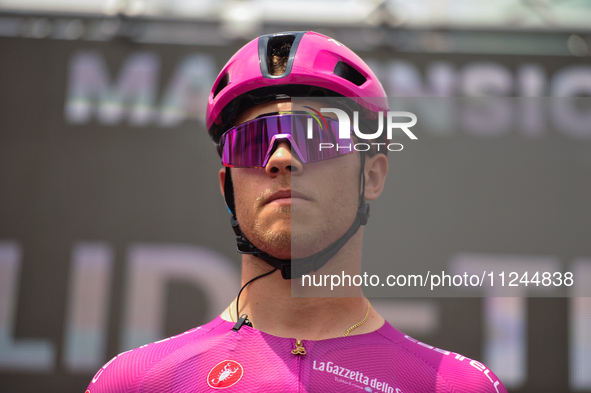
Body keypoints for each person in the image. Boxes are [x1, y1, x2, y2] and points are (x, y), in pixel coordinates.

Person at [86, 31, 507, 393]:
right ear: (227, 187)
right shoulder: (137, 383)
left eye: (317, 136)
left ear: (372, 176)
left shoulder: (456, 386)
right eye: (253, 141)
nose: (282, 158)